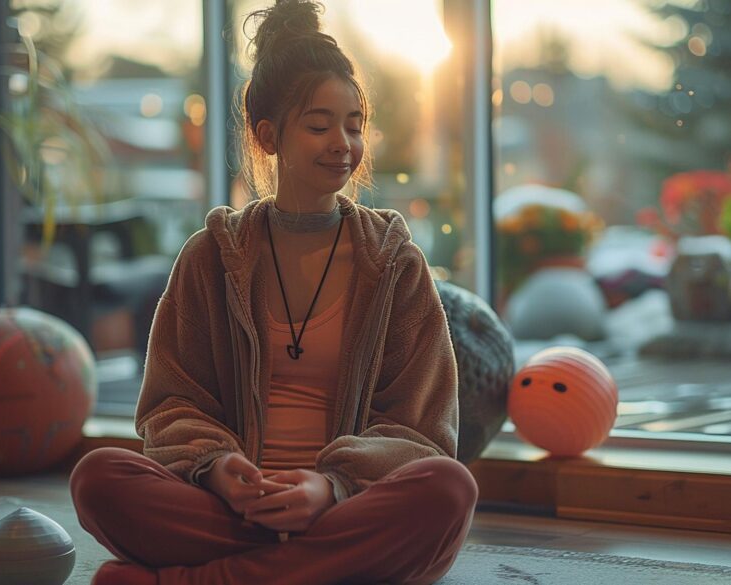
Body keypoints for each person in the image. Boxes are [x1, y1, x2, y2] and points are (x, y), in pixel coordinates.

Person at [69, 1, 477, 583]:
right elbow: (171, 404)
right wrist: (216, 468)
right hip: (231, 508)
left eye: (354, 125)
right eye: (319, 125)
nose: (342, 143)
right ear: (268, 136)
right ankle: (312, 569)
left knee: (449, 490)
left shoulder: (394, 265)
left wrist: (331, 487)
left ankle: (198, 579)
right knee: (99, 478)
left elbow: (423, 431)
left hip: (343, 508)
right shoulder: (211, 258)